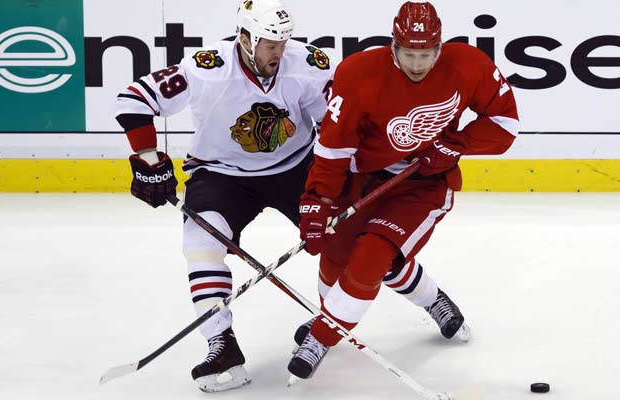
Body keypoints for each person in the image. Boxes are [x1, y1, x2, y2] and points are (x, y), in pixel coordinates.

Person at [287, 1, 519, 380]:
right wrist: (317, 200)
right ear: (393, 47)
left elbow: (505, 125)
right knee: (336, 253)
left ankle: (322, 336)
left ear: (439, 48)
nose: (417, 63)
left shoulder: (468, 65)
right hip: (364, 180)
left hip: (423, 184)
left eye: (425, 54)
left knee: (374, 254)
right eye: (409, 54)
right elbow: (334, 147)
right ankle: (427, 299)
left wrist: (454, 145)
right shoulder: (360, 73)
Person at [114, 0, 332, 392]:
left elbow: (332, 124)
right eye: (269, 43)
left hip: (296, 167)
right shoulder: (206, 68)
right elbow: (133, 99)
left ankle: (329, 321)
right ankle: (221, 343)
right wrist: (147, 156)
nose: (278, 52)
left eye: (283, 41)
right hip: (221, 173)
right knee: (200, 244)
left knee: (338, 236)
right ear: (245, 39)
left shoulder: (308, 63)